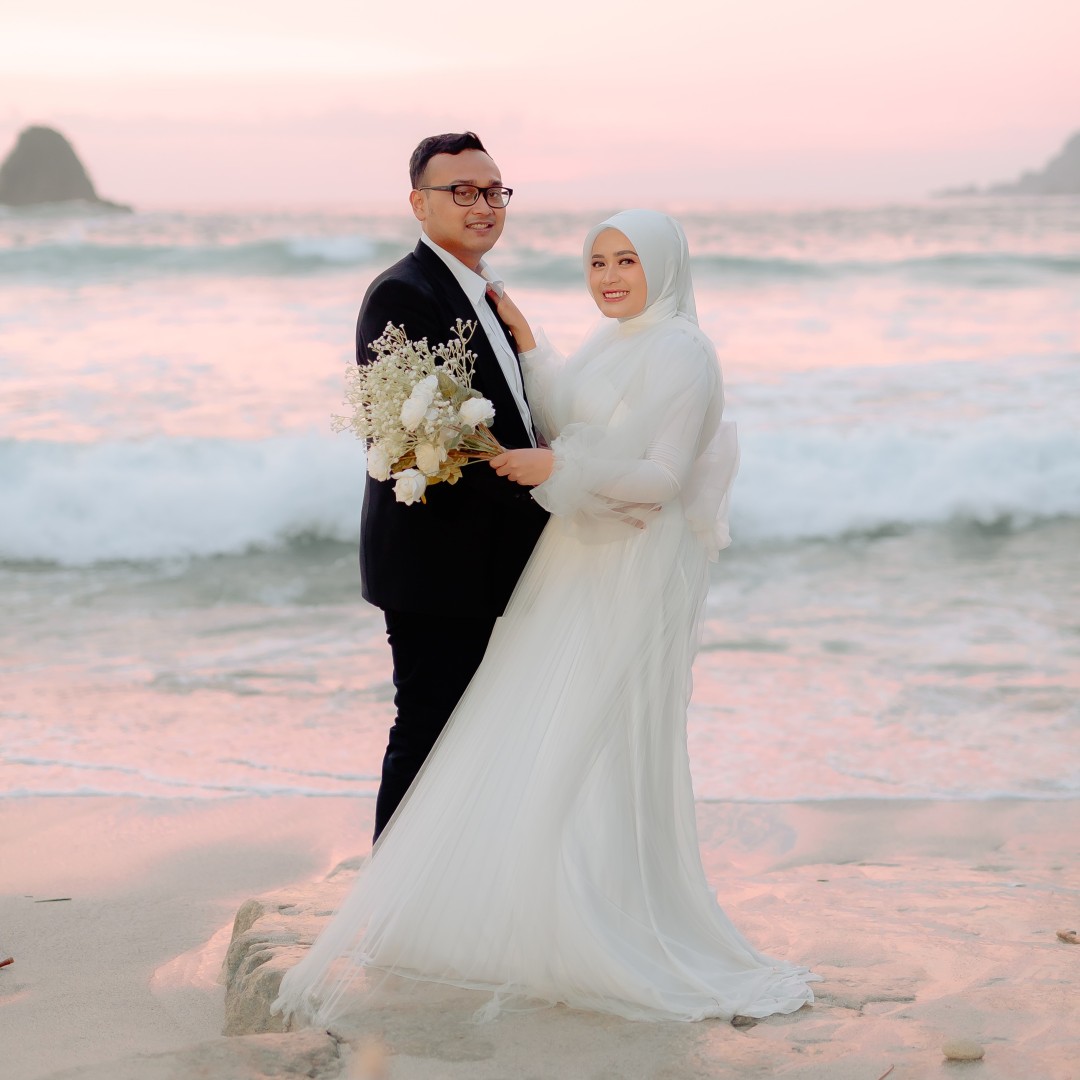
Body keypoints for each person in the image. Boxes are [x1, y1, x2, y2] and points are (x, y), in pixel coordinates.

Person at [275, 210, 819, 1024]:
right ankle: (528, 904)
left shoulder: (683, 350)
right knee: (531, 725)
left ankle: (601, 919)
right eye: (597, 262)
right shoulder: (618, 340)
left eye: (627, 260)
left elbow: (664, 477)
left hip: (626, 564)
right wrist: (528, 341)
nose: (609, 277)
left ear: (665, 265)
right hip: (573, 558)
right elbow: (565, 404)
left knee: (587, 738)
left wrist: (555, 466)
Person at [356, 132, 548, 842]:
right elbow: (416, 437)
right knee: (429, 731)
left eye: (493, 191)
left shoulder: (487, 295)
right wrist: (547, 499)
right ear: (419, 203)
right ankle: (392, 893)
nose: (482, 205)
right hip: (437, 564)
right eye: (461, 192)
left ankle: (455, 881)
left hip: (488, 561)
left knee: (479, 736)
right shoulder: (404, 293)